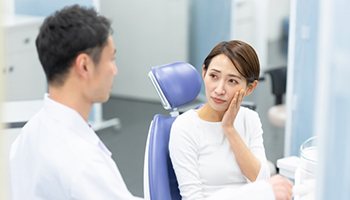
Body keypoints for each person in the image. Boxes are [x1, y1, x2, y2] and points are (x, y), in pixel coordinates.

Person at [9, 5, 142, 200]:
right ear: (85, 66)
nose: (115, 71)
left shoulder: (29, 134)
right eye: (111, 59)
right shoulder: (84, 164)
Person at [169, 40, 292, 200]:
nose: (219, 90)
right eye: (214, 76)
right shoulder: (185, 127)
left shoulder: (250, 119)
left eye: (232, 81)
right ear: (204, 72)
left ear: (250, 88)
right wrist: (253, 193)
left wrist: (229, 129)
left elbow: (261, 181)